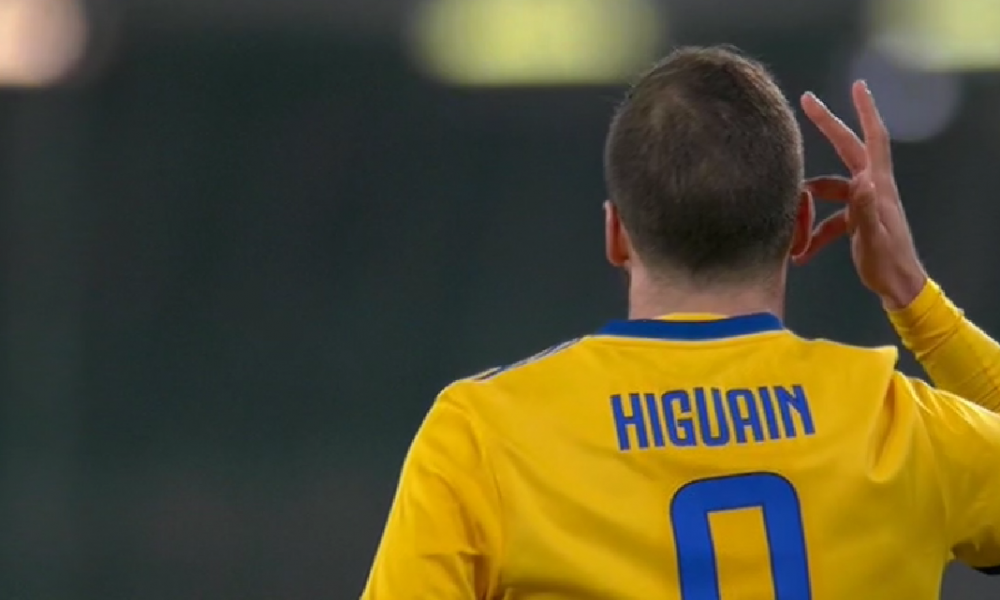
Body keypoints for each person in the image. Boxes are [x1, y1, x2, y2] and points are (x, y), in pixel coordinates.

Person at [360, 45, 1000, 599]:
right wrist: (916, 300)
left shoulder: (484, 437)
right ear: (803, 226)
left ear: (616, 235)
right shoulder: (900, 426)